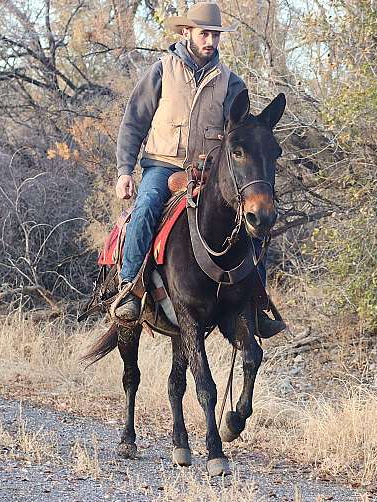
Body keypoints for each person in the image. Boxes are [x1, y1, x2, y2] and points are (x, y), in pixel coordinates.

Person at [113, 2, 285, 337]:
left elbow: (241, 129)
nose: (210, 40)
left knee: (251, 222)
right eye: (204, 33)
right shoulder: (163, 70)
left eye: (215, 34)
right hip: (163, 166)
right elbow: (134, 121)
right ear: (186, 32)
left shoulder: (230, 82)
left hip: (209, 171)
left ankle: (256, 299)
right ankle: (130, 288)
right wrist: (124, 171)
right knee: (146, 207)